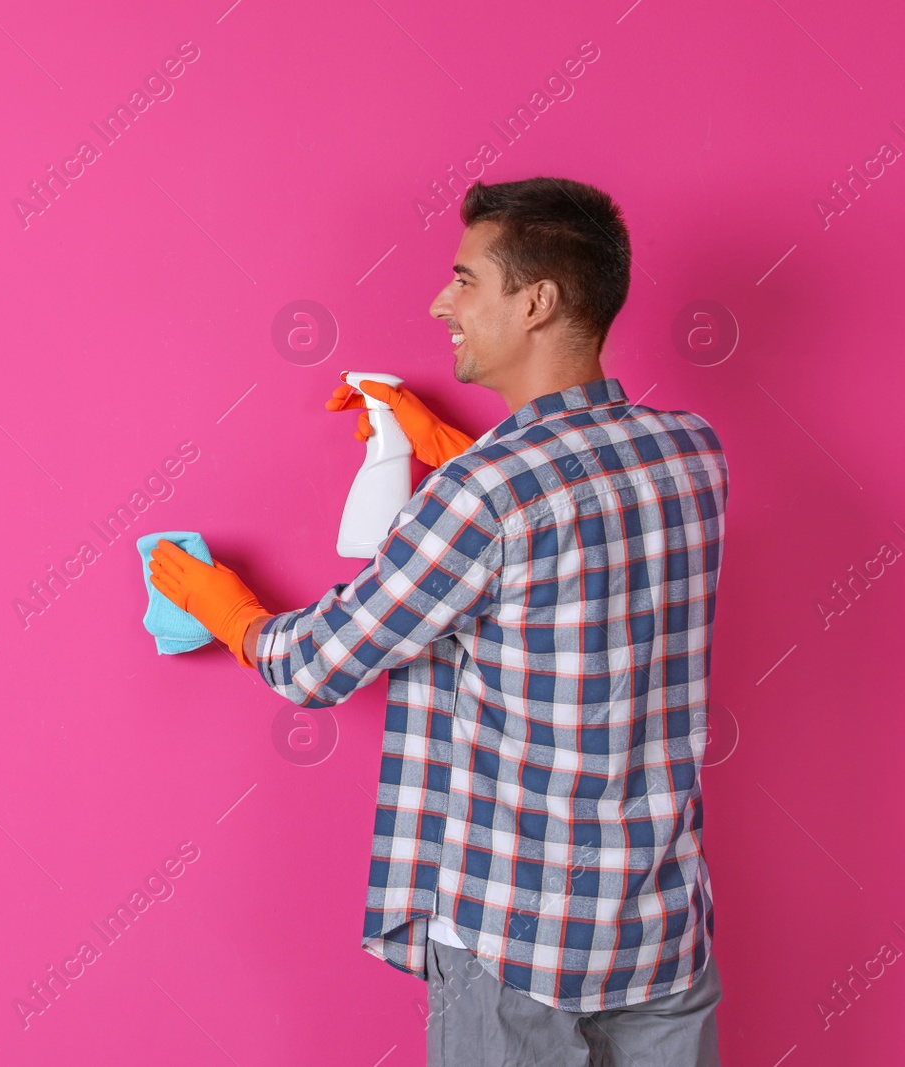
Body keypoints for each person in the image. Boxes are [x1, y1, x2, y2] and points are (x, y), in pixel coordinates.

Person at [149, 176, 727, 1066]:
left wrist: (224, 607)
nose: (439, 301)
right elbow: (572, 539)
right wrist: (465, 452)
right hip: (658, 929)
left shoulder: (484, 496)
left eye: (465, 280)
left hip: (516, 945)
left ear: (535, 302)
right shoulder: (691, 452)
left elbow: (316, 663)